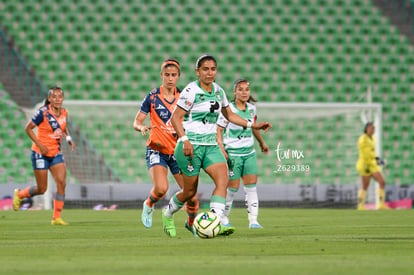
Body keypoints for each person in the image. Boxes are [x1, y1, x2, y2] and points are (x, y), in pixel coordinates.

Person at [161, 54, 271, 237]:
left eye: (213, 69)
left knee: (223, 181)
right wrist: (184, 140)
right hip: (191, 146)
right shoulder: (191, 90)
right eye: (205, 69)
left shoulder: (219, 91)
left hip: (211, 146)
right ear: (198, 72)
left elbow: (229, 115)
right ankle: (168, 214)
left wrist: (253, 124)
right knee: (189, 192)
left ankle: (216, 222)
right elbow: (176, 118)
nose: (209, 72)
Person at [133, 58, 199, 233]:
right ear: (161, 75)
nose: (170, 78)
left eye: (174, 75)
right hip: (157, 149)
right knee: (162, 188)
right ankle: (149, 204)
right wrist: (141, 127)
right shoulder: (152, 97)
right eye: (167, 75)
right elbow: (137, 121)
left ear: (178, 76)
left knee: (191, 196)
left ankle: (191, 225)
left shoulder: (184, 97)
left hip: (178, 150)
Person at [13, 86, 75, 225]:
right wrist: (40, 145)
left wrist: (68, 138)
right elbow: (28, 129)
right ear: (49, 99)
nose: (57, 99)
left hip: (55, 153)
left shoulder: (64, 112)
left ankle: (56, 218)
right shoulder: (43, 113)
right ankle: (20, 194)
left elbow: (63, 126)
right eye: (54, 97)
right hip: (40, 153)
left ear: (63, 98)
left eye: (60, 96)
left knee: (62, 182)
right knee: (42, 188)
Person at [216, 78, 269, 229]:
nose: (244, 92)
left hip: (249, 153)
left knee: (251, 187)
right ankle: (223, 217)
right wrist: (221, 149)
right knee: (232, 188)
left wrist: (261, 143)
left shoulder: (252, 109)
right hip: (233, 153)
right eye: (241, 89)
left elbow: (253, 127)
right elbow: (218, 130)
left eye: (247, 89)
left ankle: (253, 221)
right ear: (235, 92)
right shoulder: (228, 110)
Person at [356, 122, 388, 210]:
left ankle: (381, 204)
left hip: (372, 165)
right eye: (371, 128)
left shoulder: (373, 138)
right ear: (366, 129)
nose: (373, 130)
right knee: (365, 186)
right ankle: (361, 205)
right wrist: (377, 161)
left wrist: (379, 161)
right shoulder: (362, 139)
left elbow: (372, 154)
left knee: (382, 182)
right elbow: (366, 155)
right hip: (365, 165)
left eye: (374, 128)